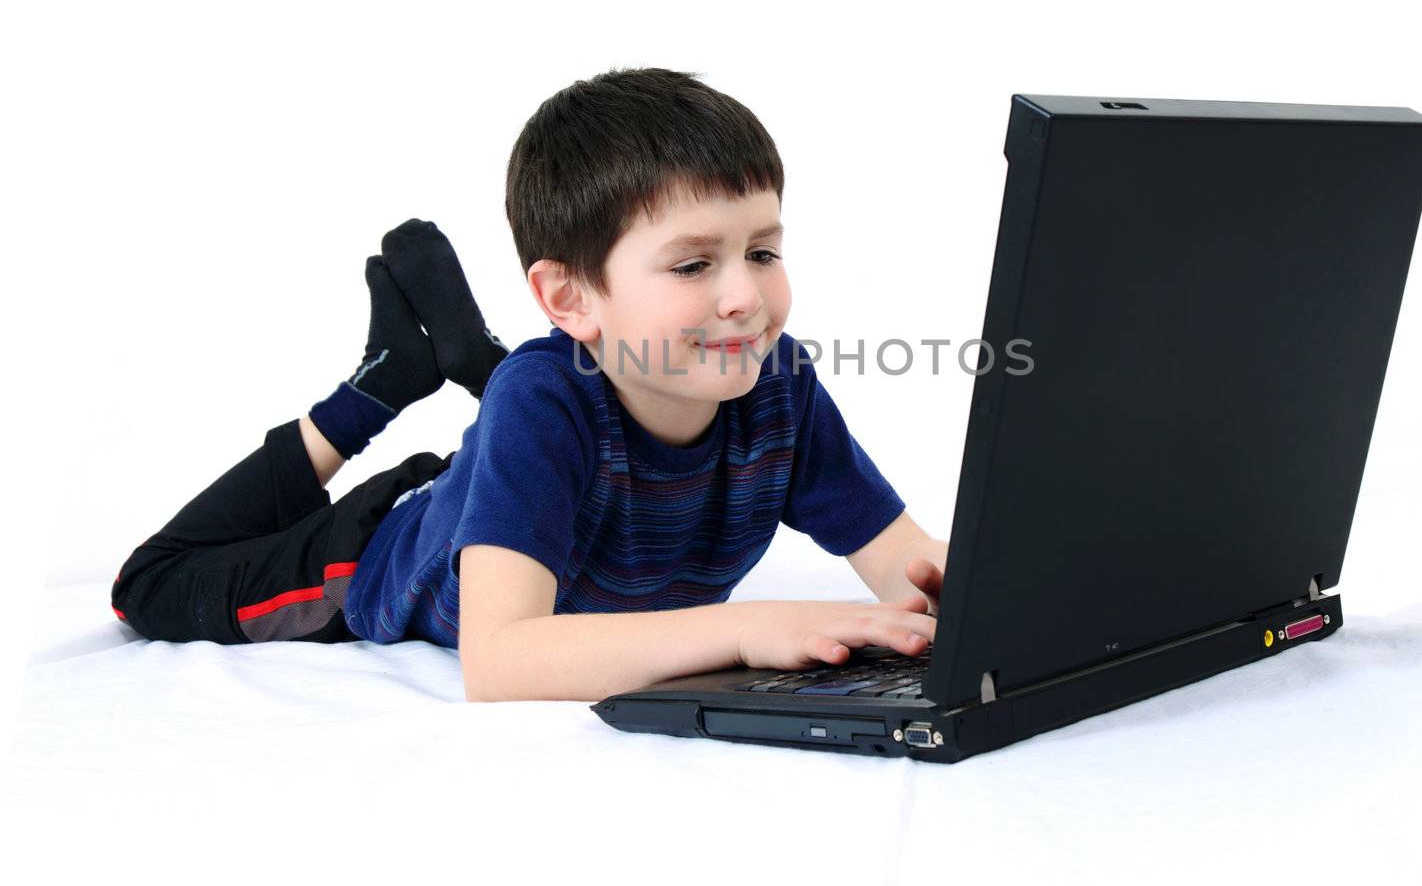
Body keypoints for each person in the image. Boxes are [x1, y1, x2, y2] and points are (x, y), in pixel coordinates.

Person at [110, 67, 948, 702]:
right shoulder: (544, 405)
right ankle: (380, 384)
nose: (746, 297)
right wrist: (754, 627)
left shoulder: (779, 385)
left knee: (544, 398)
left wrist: (1002, 594)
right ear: (568, 298)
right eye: (694, 263)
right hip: (371, 556)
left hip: (536, 434)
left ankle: (484, 362)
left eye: (763, 251)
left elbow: (907, 563)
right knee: (152, 582)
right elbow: (501, 658)